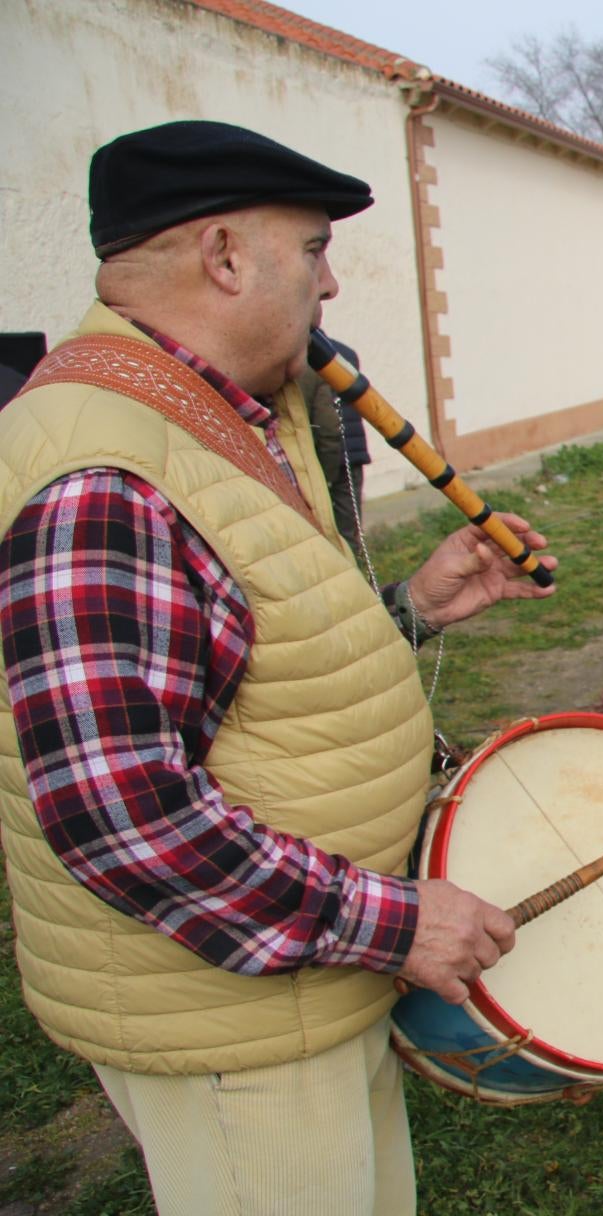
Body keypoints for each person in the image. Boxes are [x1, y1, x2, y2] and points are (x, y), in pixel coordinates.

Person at [0, 120, 557, 1216]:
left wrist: (412, 610)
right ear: (223, 257)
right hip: (233, 1035)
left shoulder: (215, 413)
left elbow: (244, 670)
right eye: (313, 250)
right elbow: (125, 814)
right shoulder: (100, 471)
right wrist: (398, 922)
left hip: (303, 985)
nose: (333, 282)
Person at [302, 337, 370, 551]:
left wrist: (326, 474)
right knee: (350, 528)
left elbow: (327, 425)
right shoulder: (347, 354)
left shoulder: (307, 359)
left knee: (330, 532)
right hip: (352, 450)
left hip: (327, 453)